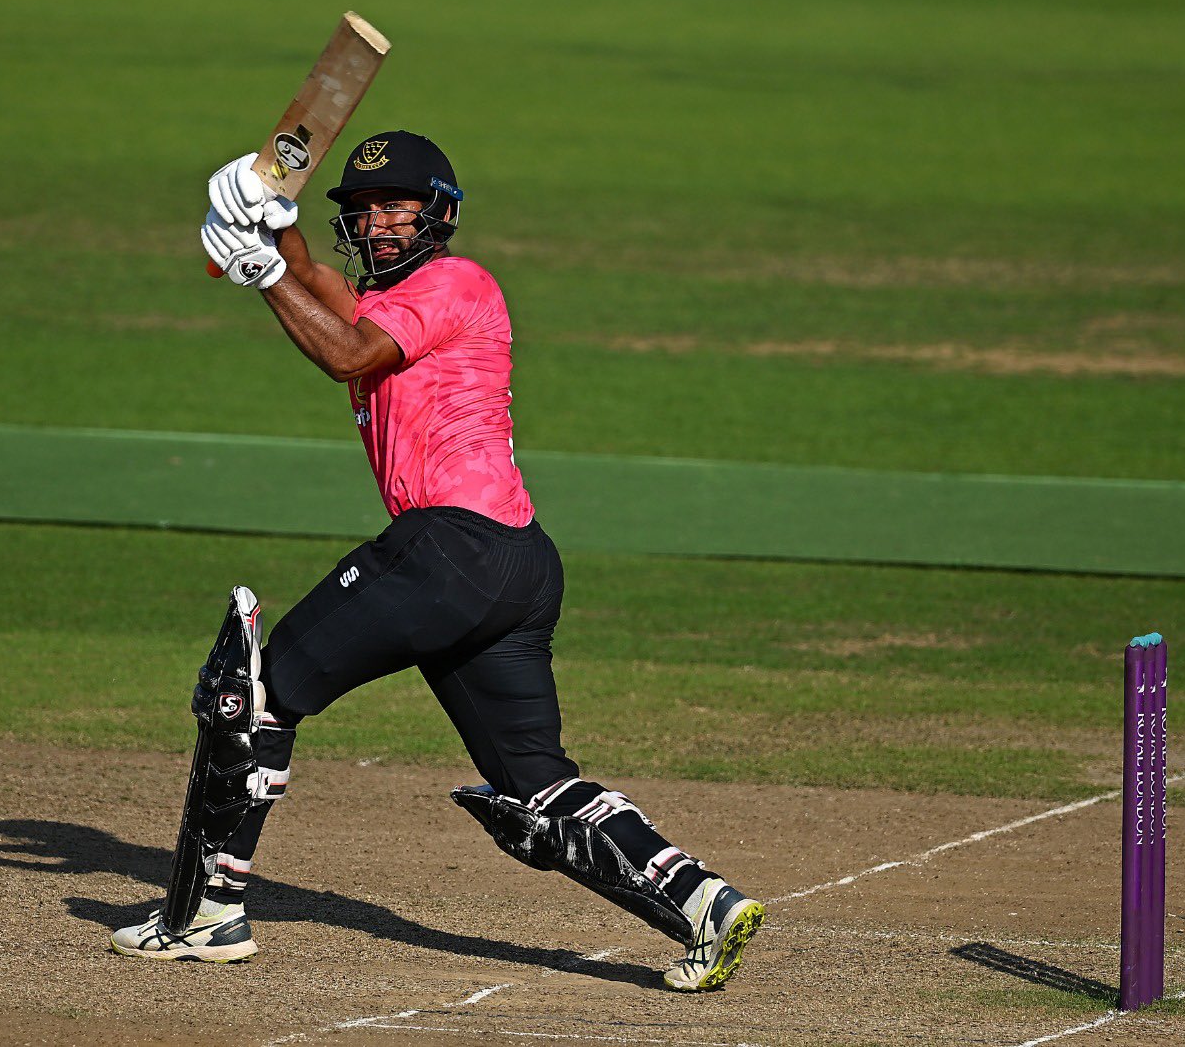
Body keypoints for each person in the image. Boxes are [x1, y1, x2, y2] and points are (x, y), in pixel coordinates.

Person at [109, 131, 763, 992]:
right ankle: (704, 906)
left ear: (440, 213)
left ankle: (204, 915)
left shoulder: (455, 283)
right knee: (533, 782)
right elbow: (327, 294)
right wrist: (267, 224)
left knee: (251, 696)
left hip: (449, 549)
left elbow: (345, 351)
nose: (377, 224)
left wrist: (256, 271)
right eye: (362, 211)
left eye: (395, 207)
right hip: (514, 563)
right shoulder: (394, 297)